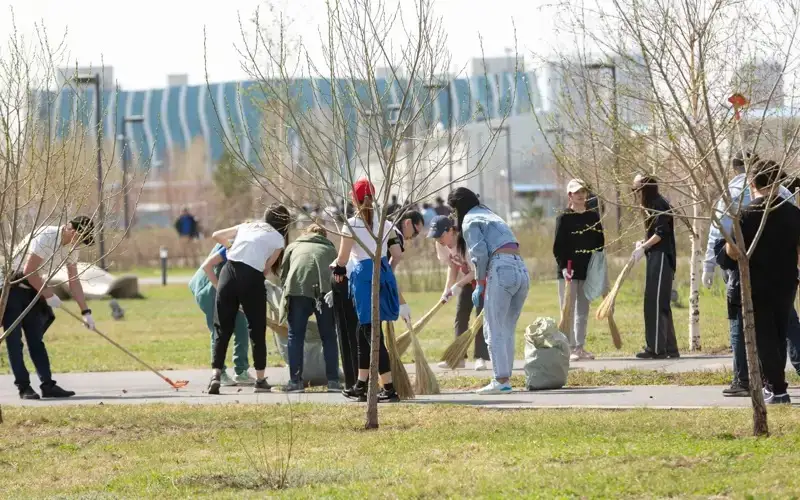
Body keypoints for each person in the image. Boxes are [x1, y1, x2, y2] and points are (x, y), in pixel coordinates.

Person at [703, 151, 800, 396]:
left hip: (756, 282)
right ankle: (777, 385)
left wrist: (724, 251)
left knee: (763, 336)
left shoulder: (745, 214)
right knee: (780, 331)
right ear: (777, 183)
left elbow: (733, 252)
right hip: (787, 281)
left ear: (752, 182)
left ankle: (775, 389)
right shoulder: (793, 212)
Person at [333, 177, 410, 403]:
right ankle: (361, 383)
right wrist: (388, 270)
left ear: (355, 200)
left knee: (370, 333)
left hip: (364, 277)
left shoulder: (352, 224)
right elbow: (397, 253)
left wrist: (338, 268)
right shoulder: (385, 223)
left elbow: (343, 257)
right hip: (382, 272)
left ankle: (388, 387)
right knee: (364, 330)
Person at [4, 217, 97, 399]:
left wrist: (86, 312)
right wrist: (48, 294)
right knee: (14, 342)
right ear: (73, 231)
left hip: (33, 290)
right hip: (13, 288)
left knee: (36, 340)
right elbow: (28, 271)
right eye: (81, 238)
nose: (80, 244)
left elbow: (74, 280)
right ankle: (24, 387)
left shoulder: (71, 248)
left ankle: (48, 385)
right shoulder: (47, 236)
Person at [448, 187, 529, 394]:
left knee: (492, 328)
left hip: (501, 268)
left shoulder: (469, 220)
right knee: (508, 326)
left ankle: (501, 380)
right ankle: (506, 377)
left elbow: (480, 253)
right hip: (520, 268)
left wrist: (480, 283)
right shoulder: (491, 215)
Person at [206, 204, 290, 394]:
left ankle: (216, 375)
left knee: (222, 327)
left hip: (228, 273)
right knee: (256, 328)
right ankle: (260, 380)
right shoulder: (278, 239)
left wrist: (230, 246)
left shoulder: (247, 226)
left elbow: (216, 235)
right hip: (251, 277)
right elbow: (266, 268)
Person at [278, 224, 340, 393]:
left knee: (295, 336)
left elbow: (283, 274)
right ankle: (334, 381)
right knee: (328, 336)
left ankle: (295, 382)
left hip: (298, 291)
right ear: (324, 236)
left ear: (306, 233)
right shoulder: (330, 249)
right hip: (324, 292)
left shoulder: (293, 246)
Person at [428, 215, 490, 370]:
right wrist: (447, 289)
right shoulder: (441, 245)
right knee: (460, 315)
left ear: (451, 231)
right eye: (435, 237)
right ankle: (458, 357)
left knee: (480, 316)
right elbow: (453, 265)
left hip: (484, 278)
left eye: (441, 235)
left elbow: (476, 270)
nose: (438, 240)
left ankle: (480, 357)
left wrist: (458, 285)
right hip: (468, 280)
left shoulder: (466, 242)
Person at [553, 179, 605, 361]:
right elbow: (558, 246)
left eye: (583, 192)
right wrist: (563, 267)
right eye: (577, 192)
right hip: (567, 271)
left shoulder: (593, 217)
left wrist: (597, 268)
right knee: (567, 309)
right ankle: (568, 347)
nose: (581, 195)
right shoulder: (564, 218)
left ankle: (579, 347)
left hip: (586, 270)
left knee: (582, 310)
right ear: (570, 195)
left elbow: (600, 244)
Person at [189, 243, 253, 387]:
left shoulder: (254, 248)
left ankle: (241, 372)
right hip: (211, 289)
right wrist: (222, 292)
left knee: (242, 327)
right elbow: (207, 266)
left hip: (232, 289)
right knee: (219, 331)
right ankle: (220, 373)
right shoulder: (235, 244)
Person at [630, 174, 679, 359]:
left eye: (636, 189)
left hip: (661, 258)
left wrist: (644, 246)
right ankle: (670, 348)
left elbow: (661, 234)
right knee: (661, 303)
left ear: (645, 189)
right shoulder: (652, 204)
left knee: (654, 303)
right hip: (656, 256)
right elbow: (654, 233)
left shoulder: (658, 204)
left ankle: (657, 349)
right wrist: (642, 242)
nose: (635, 193)